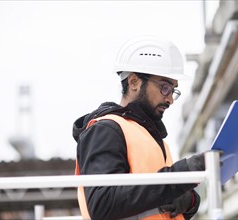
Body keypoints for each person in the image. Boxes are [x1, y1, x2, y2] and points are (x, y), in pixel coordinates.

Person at [73, 36, 206, 220]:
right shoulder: (105, 130)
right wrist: (179, 177)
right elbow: (102, 204)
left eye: (173, 90)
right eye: (165, 87)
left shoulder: (153, 138)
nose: (170, 99)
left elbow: (157, 195)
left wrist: (189, 200)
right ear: (134, 82)